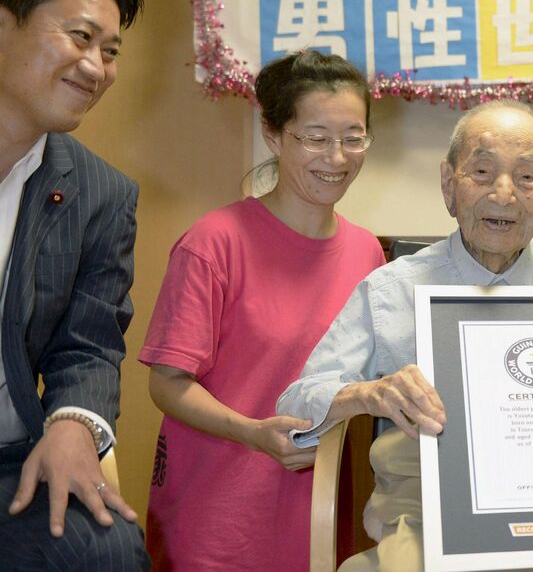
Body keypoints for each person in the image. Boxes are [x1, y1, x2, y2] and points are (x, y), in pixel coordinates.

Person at [277, 99, 533, 572]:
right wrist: (369, 394)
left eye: (527, 177)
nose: (504, 194)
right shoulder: (393, 290)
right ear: (449, 184)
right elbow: (296, 404)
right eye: (482, 172)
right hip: (431, 516)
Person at [139, 50, 385, 570]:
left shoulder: (368, 253)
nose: (336, 157)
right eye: (315, 137)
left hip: (319, 511)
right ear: (274, 134)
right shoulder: (215, 242)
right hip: (218, 512)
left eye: (352, 137)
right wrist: (252, 432)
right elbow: (167, 382)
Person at [0, 0, 148, 568]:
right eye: (80, 38)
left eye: (110, 51)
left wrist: (75, 423)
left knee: (106, 549)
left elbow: (89, 343)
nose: (97, 68)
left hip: (12, 463)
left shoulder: (101, 192)